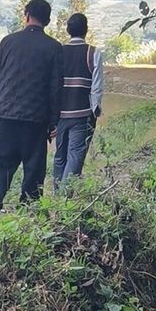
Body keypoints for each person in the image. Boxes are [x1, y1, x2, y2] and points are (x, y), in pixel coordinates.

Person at [0, 0, 64, 216]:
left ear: (26, 15)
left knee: (2, 161)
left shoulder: (8, 42)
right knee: (34, 165)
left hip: (7, 114)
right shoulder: (54, 48)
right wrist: (54, 121)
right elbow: (56, 87)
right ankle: (30, 208)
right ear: (47, 20)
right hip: (36, 118)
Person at [53, 12, 104, 188]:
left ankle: (57, 195)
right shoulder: (93, 53)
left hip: (59, 114)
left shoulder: (58, 51)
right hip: (82, 114)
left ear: (68, 30)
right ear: (86, 30)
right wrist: (95, 110)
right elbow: (96, 86)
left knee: (60, 156)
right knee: (75, 155)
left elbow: (52, 83)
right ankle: (64, 198)